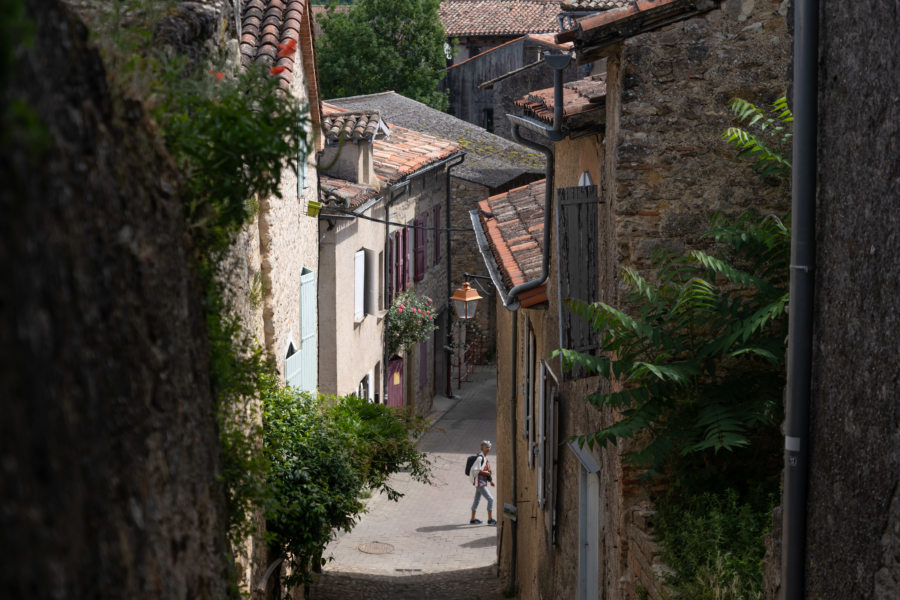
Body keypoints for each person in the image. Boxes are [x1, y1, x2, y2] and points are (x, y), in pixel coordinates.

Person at [470, 440, 496, 525]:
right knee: (491, 499)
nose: (488, 449)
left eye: (489, 447)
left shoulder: (485, 458)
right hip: (480, 483)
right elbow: (476, 470)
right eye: (486, 447)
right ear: (482, 448)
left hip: (482, 482)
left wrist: (491, 480)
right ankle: (490, 519)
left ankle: (473, 519)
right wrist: (486, 473)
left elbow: (487, 470)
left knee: (477, 500)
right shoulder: (480, 458)